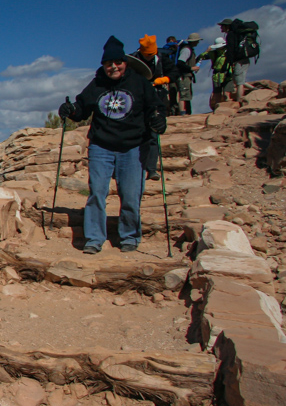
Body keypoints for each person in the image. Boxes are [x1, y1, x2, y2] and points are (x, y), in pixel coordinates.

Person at [58, 36, 167, 255]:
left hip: (133, 146)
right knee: (97, 193)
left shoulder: (139, 82)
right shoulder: (97, 83)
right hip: (101, 146)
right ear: (104, 65)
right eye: (108, 64)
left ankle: (129, 236)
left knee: (130, 194)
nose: (113, 67)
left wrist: (158, 120)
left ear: (125, 62)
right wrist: (70, 110)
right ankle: (94, 238)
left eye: (117, 62)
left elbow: (155, 108)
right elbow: (82, 109)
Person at [130, 34, 168, 181]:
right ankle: (136, 168)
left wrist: (164, 79)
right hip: (136, 101)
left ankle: (151, 169)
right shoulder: (133, 60)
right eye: (147, 55)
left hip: (155, 97)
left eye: (151, 55)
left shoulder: (161, 58)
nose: (149, 58)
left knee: (153, 135)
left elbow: (174, 72)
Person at [196, 37, 233, 110]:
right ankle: (218, 109)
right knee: (217, 94)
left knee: (227, 93)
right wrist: (207, 50)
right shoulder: (214, 53)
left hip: (227, 74)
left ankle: (227, 109)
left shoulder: (229, 52)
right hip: (217, 75)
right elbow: (201, 57)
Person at [219, 18, 249, 103]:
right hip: (243, 59)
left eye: (222, 26)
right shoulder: (236, 34)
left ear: (227, 26)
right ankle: (244, 97)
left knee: (239, 82)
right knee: (238, 79)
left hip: (239, 60)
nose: (221, 28)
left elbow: (231, 50)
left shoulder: (231, 35)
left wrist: (228, 63)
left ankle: (240, 101)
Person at [174, 33, 202, 115]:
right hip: (184, 76)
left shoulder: (189, 49)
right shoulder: (187, 50)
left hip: (186, 76)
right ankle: (183, 112)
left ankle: (186, 112)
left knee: (186, 95)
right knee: (184, 94)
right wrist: (190, 68)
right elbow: (180, 63)